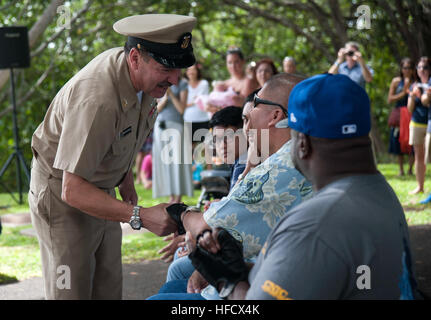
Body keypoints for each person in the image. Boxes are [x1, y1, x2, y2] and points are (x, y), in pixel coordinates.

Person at [187, 73, 419, 300]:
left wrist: (228, 280)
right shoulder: (380, 191)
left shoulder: (315, 222)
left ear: (302, 144)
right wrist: (242, 267)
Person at [28, 14, 196, 300]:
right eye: (167, 67)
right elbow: (72, 188)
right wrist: (140, 216)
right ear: (134, 58)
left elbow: (122, 136)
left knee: (107, 289)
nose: (175, 79)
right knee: (71, 291)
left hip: (100, 188)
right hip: (62, 196)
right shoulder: (98, 100)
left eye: (179, 67)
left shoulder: (147, 81)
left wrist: (125, 179)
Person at [148, 73, 312, 300]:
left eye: (255, 104)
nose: (248, 115)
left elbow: (206, 226)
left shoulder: (278, 168)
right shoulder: (302, 154)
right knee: (172, 286)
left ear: (275, 115)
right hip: (270, 277)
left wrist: (180, 214)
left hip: (256, 291)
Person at [152, 79, 194, 204]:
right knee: (164, 161)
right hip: (160, 126)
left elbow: (181, 109)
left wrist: (170, 94)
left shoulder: (182, 84)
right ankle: (171, 196)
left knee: (177, 161)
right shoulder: (158, 83)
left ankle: (178, 197)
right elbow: (156, 110)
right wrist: (164, 99)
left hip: (176, 127)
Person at [206, 48, 259, 113]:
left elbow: (247, 106)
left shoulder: (248, 81)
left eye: (236, 62)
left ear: (243, 62)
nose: (233, 66)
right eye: (230, 62)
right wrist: (209, 106)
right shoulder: (224, 83)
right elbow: (210, 103)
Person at [387, 58, 415, 176]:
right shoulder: (396, 81)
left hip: (412, 113)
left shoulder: (416, 82)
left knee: (411, 142)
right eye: (404, 68)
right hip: (399, 114)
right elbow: (390, 99)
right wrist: (403, 93)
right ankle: (401, 170)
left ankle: (410, 169)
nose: (406, 70)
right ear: (401, 69)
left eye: (409, 68)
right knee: (398, 140)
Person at [407, 57, 431, 195]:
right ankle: (420, 186)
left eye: (425, 67)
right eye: (420, 67)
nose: (422, 70)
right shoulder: (414, 85)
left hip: (429, 123)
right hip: (416, 122)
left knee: (429, 157)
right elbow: (410, 109)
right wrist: (412, 95)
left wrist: (425, 95)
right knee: (419, 157)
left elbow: (426, 102)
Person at [183, 63, 211, 142]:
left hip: (203, 119)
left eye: (193, 69)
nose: (191, 72)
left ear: (198, 71)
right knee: (189, 148)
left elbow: (204, 100)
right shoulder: (183, 84)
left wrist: (188, 103)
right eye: (189, 70)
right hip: (188, 120)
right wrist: (196, 100)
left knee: (204, 146)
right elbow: (181, 104)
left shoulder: (204, 83)